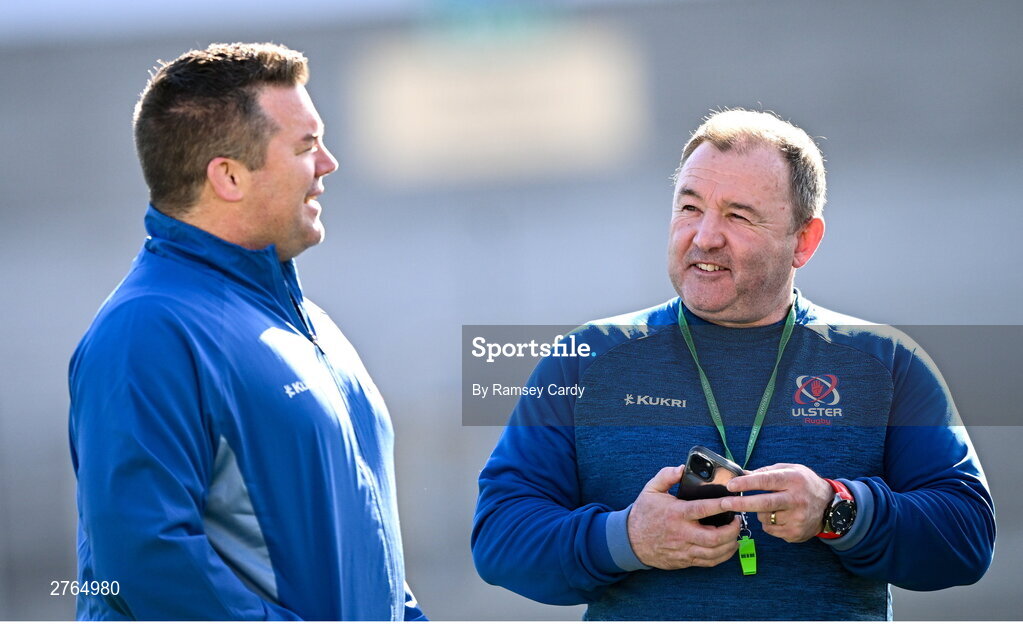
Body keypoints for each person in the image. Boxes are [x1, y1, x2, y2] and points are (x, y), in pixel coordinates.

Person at [471, 109, 995, 620]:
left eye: (738, 215)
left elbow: (967, 538)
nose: (704, 237)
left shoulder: (886, 362)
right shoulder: (585, 360)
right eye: (690, 208)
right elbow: (499, 537)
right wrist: (627, 538)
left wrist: (837, 510)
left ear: (804, 241)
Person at [68, 42, 424, 621]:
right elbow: (147, 563)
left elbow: (366, 550)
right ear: (229, 176)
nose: (328, 164)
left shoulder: (305, 325)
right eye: (306, 146)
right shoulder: (146, 332)